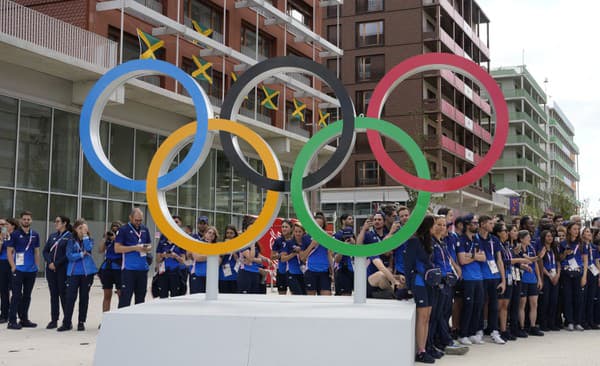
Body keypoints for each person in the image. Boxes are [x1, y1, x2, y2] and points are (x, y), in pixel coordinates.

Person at [431, 215, 468, 356]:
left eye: (444, 225)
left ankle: (443, 339)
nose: (442, 228)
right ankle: (440, 341)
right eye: (439, 225)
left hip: (448, 281)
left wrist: (456, 268)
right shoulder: (431, 243)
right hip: (438, 281)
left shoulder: (443, 243)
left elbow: (448, 258)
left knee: (446, 312)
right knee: (437, 314)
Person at [404, 215, 436, 363]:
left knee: (427, 316)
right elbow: (408, 265)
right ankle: (420, 350)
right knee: (422, 316)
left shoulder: (428, 241)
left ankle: (425, 347)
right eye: (433, 225)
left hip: (429, 282)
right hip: (418, 282)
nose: (436, 228)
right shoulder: (413, 241)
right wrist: (409, 286)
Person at [58, 220, 97, 331]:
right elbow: (69, 256)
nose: (82, 230)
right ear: (75, 229)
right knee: (70, 298)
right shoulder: (70, 240)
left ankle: (81, 322)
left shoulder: (89, 239)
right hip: (73, 273)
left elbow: (88, 248)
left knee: (84, 297)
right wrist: (81, 254)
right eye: (80, 228)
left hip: (87, 273)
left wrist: (85, 236)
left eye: (85, 228)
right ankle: (66, 322)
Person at [6, 211, 41, 329]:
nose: (26, 221)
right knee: (16, 295)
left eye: (28, 219)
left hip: (31, 271)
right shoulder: (15, 234)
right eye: (24, 219)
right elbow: (9, 251)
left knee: (27, 296)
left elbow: (36, 252)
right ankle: (12, 321)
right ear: (21, 220)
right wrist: (13, 266)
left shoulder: (35, 234)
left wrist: (37, 266)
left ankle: (24, 319)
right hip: (19, 270)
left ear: (31, 221)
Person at [476, 215, 506, 344]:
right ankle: (478, 330)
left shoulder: (494, 239)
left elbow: (499, 260)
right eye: (490, 223)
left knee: (494, 305)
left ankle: (494, 331)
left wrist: (503, 280)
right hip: (481, 276)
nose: (492, 226)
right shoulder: (475, 238)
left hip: (494, 276)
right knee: (480, 304)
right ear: (482, 224)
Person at [456, 214, 486, 345]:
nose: (477, 225)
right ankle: (463, 334)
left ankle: (473, 333)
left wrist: (471, 256)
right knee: (468, 306)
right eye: (474, 223)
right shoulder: (461, 240)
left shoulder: (477, 240)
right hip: (468, 278)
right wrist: (475, 256)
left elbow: (484, 257)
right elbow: (462, 260)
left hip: (479, 277)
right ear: (467, 224)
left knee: (478, 305)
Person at [115, 208, 153, 308]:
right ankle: (122, 322)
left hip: (142, 269)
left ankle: (137, 323)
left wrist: (146, 248)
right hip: (129, 270)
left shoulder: (145, 229)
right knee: (125, 299)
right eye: (136, 220)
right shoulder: (124, 230)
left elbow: (150, 246)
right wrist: (135, 248)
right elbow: (117, 248)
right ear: (130, 218)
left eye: (140, 220)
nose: (138, 223)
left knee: (140, 300)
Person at [357, 212, 400, 298]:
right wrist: (363, 229)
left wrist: (394, 272)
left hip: (386, 274)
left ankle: (396, 291)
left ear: (384, 222)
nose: (377, 221)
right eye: (375, 220)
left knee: (400, 278)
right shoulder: (369, 235)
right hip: (372, 277)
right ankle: (396, 292)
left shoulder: (387, 234)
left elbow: (391, 253)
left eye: (379, 219)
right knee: (381, 274)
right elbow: (358, 246)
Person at [42, 216, 72, 329]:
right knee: (53, 294)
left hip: (62, 269)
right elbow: (45, 251)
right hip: (51, 269)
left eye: (58, 221)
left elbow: (67, 254)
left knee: (63, 294)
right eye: (55, 221)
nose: (56, 223)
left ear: (65, 223)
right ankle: (54, 320)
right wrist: (49, 262)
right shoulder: (52, 236)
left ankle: (67, 321)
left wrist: (57, 264)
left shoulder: (69, 237)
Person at [559, 221, 588, 331]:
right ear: (569, 230)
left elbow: (585, 260)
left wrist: (584, 276)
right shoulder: (563, 243)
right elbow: (560, 259)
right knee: (567, 297)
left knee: (579, 298)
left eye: (577, 229)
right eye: (574, 229)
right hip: (566, 273)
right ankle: (569, 321)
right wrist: (565, 254)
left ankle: (578, 322)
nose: (576, 231)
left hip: (578, 273)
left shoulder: (582, 244)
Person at [517, 230, 544, 336]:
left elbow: (535, 264)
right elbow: (528, 259)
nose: (529, 239)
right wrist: (539, 256)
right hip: (522, 279)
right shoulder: (518, 248)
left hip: (532, 279)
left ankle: (533, 326)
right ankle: (522, 327)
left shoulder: (531, 248)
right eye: (527, 237)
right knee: (522, 304)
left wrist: (539, 278)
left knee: (534, 303)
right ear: (521, 239)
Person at [300, 212, 333, 296]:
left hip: (324, 272)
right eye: (316, 225)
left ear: (323, 226)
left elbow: (329, 255)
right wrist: (312, 245)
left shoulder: (327, 237)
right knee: (311, 300)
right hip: (311, 271)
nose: (318, 227)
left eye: (320, 225)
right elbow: (302, 258)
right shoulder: (306, 237)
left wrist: (333, 271)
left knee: (326, 298)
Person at [155, 216, 187, 298]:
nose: (174, 223)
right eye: (172, 222)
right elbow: (158, 259)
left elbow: (183, 261)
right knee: (163, 297)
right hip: (163, 272)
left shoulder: (182, 239)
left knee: (175, 297)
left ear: (180, 224)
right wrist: (164, 255)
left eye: (176, 222)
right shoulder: (163, 237)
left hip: (176, 273)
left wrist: (175, 256)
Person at [538, 229, 561, 331]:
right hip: (546, 277)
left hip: (555, 276)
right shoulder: (542, 249)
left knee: (554, 301)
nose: (550, 238)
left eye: (551, 236)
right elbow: (540, 265)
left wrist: (557, 275)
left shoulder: (554, 249)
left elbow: (558, 263)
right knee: (545, 301)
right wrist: (549, 275)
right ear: (543, 238)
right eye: (548, 236)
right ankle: (544, 323)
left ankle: (552, 323)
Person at [98, 222, 122, 314]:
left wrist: (116, 239)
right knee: (107, 295)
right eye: (113, 229)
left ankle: (120, 319)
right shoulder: (108, 239)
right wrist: (105, 238)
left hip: (118, 268)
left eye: (117, 229)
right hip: (107, 268)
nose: (114, 231)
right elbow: (100, 250)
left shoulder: (122, 238)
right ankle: (105, 318)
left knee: (121, 294)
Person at [280, 223, 310, 295]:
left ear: (303, 232)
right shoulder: (289, 243)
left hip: (304, 274)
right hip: (292, 273)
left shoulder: (306, 242)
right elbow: (283, 259)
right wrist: (293, 254)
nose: (297, 234)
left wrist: (301, 252)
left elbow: (306, 258)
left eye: (300, 232)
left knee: (305, 295)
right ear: (293, 232)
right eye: (296, 231)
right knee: (298, 294)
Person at [189, 226, 218, 294]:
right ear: (205, 234)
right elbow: (197, 257)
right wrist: (212, 255)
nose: (211, 234)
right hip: (197, 275)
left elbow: (218, 261)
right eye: (209, 232)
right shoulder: (197, 244)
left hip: (210, 277)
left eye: (213, 234)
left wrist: (205, 256)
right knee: (196, 298)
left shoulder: (216, 246)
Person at [333, 214, 355, 296]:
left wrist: (353, 243)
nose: (352, 221)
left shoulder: (352, 235)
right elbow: (336, 259)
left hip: (352, 269)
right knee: (344, 296)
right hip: (342, 269)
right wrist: (344, 246)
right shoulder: (338, 235)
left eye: (352, 219)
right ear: (343, 221)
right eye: (349, 219)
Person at [0, 218, 17, 323]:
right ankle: (4, 314)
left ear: (12, 226)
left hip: (13, 264)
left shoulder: (15, 236)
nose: (3, 226)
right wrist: (1, 240)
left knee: (14, 289)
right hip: (2, 263)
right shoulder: (3, 236)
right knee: (3, 290)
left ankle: (14, 313)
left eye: (5, 224)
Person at [581, 227, 599, 329]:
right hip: (585, 272)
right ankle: (583, 321)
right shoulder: (581, 246)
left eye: (590, 232)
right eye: (587, 232)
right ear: (582, 234)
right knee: (584, 297)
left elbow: (596, 261)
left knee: (592, 298)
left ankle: (591, 320)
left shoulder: (594, 247)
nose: (589, 233)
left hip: (593, 273)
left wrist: (599, 274)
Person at [272, 220, 293, 295]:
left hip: (293, 271)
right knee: (281, 295)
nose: (284, 229)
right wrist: (280, 255)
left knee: (295, 294)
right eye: (283, 227)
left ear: (291, 229)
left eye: (286, 227)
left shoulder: (294, 240)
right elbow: (272, 257)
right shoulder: (278, 240)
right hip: (281, 271)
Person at [219, 225, 239, 294]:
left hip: (235, 276)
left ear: (235, 234)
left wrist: (232, 248)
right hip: (223, 276)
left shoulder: (239, 245)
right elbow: (219, 260)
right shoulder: (221, 245)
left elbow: (238, 260)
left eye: (231, 233)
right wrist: (224, 248)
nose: (229, 235)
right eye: (227, 233)